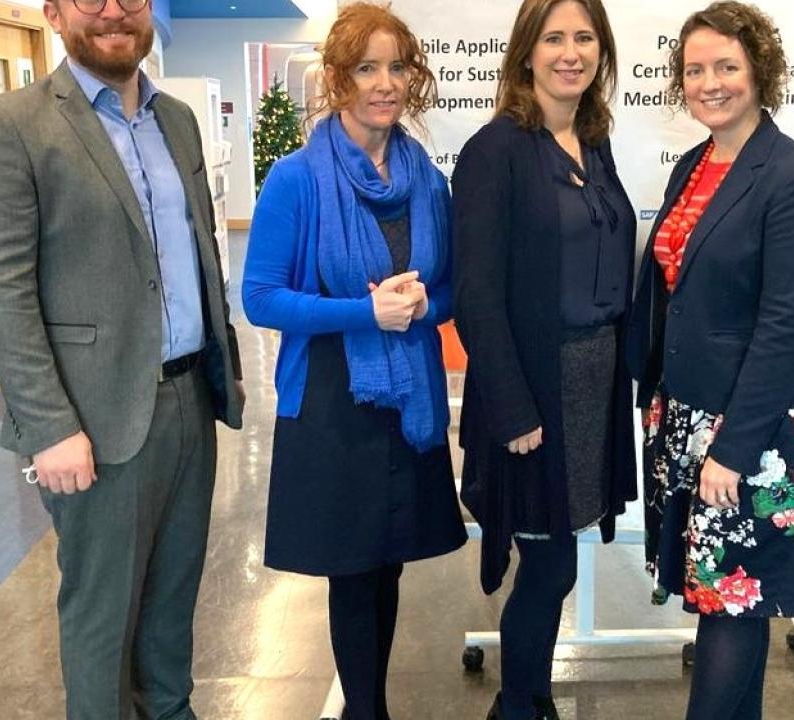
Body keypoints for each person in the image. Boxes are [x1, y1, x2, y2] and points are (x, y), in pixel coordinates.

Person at [0, 0, 245, 718]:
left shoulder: (176, 119)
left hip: (188, 402)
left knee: (171, 610)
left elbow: (195, 253)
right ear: (54, 13)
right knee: (103, 621)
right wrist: (50, 425)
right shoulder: (10, 126)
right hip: (95, 419)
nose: (114, 11)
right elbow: (1, 291)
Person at [626, 3, 794, 718]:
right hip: (694, 412)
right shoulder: (697, 165)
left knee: (732, 604)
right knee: (724, 597)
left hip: (759, 433)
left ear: (759, 72)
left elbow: (786, 327)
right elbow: (675, 291)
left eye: (726, 66)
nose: (709, 83)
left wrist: (732, 447)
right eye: (694, 70)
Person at [241, 3, 466, 718]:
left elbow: (453, 285)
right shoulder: (297, 179)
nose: (385, 83)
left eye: (397, 66)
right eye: (367, 67)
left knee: (389, 557)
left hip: (410, 390)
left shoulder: (427, 181)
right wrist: (362, 313)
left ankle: (372, 702)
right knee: (352, 567)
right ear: (338, 79)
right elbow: (261, 297)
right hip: (336, 396)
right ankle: (365, 711)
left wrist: (426, 306)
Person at [452, 1, 637, 717]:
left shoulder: (594, 143)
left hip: (591, 381)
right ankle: (520, 704)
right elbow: (477, 292)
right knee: (550, 562)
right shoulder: (496, 150)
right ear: (525, 53)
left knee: (559, 556)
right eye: (553, 37)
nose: (570, 52)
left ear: (602, 51)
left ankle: (530, 697)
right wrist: (510, 405)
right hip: (533, 389)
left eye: (584, 37)